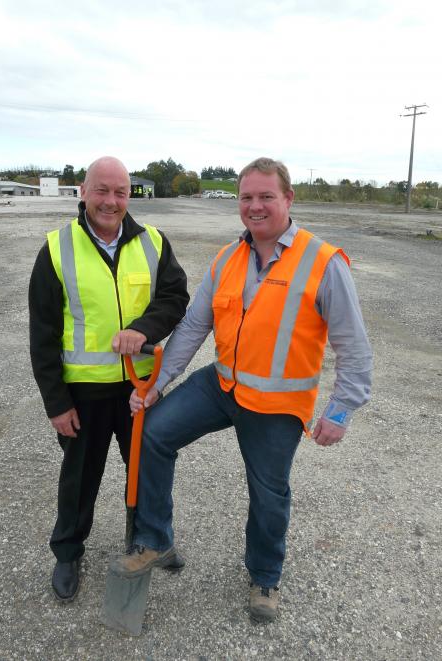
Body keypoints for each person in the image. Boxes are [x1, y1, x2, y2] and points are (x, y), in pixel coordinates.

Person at [111, 157, 372, 623]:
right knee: (153, 431)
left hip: (276, 404)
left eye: (266, 196)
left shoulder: (323, 262)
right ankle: (155, 539)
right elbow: (193, 327)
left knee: (268, 494)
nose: (255, 206)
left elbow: (354, 346)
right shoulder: (228, 258)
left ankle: (265, 576)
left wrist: (340, 410)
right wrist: (156, 385)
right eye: (247, 197)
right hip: (222, 384)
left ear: (288, 199)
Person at [29, 156, 189, 602]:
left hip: (140, 389)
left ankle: (147, 541)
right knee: (80, 476)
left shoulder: (153, 242)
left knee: (147, 471)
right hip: (84, 391)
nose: (111, 201)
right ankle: (67, 551)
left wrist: (145, 329)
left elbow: (176, 296)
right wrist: (56, 404)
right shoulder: (57, 249)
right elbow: (41, 335)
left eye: (120, 192)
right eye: (102, 190)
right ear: (83, 191)